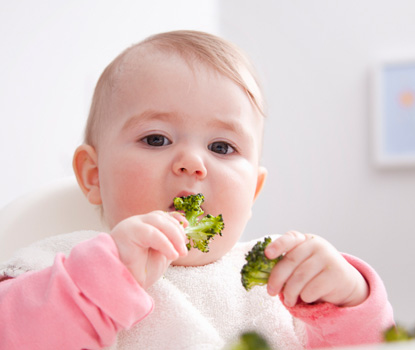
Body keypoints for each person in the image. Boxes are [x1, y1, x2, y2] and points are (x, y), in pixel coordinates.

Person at [0, 30, 394, 349]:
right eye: (156, 139)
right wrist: (104, 276)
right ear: (93, 174)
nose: (192, 162)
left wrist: (348, 300)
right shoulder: (63, 268)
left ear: (253, 191)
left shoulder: (280, 283)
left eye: (222, 147)